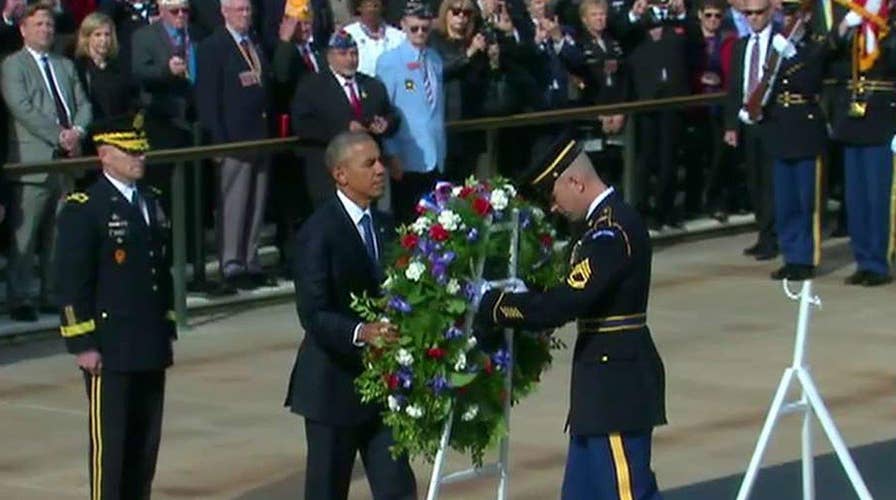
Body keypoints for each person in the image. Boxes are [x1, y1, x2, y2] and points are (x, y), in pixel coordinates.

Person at [474, 130, 666, 500]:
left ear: (575, 181)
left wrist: (494, 305)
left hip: (616, 389)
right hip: (599, 389)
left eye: (553, 195)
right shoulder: (598, 229)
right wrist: (527, 292)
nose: (553, 207)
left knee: (626, 494)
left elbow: (563, 305)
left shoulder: (611, 232)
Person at [285, 130, 417, 500]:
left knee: (398, 488)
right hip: (332, 387)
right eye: (369, 163)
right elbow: (312, 312)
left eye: (380, 161)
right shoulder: (319, 232)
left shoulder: (387, 225)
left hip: (382, 388)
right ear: (341, 175)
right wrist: (361, 331)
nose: (380, 170)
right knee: (327, 490)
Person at [54, 112, 176, 500]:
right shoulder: (85, 207)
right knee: (113, 447)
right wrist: (82, 341)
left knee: (145, 444)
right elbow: (72, 281)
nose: (140, 157)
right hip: (110, 345)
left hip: (149, 340)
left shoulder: (152, 201)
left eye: (141, 150)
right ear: (105, 155)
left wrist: (167, 324)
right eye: (130, 151)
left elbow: (161, 270)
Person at [1, 3, 92, 322]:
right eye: (39, 24)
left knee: (58, 232)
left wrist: (77, 131)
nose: (46, 30)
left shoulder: (64, 65)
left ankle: (52, 292)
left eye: (50, 25)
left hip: (66, 162)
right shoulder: (13, 65)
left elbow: (82, 102)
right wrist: (59, 135)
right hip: (33, 160)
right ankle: (20, 296)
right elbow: (21, 108)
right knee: (25, 235)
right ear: (24, 29)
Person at [196, 0, 274, 290]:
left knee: (256, 201)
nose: (246, 14)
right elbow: (208, 98)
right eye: (240, 10)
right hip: (233, 138)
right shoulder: (213, 46)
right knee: (235, 202)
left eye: (248, 9)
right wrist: (218, 142)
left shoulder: (254, 42)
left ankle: (250, 258)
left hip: (259, 135)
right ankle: (230, 262)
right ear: (225, 12)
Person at [756, 0, 827, 281]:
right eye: (785, 12)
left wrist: (795, 56)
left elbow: (812, 81)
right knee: (785, 200)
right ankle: (791, 254)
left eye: (794, 12)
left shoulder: (815, 45)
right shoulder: (776, 45)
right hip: (781, 127)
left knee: (805, 199)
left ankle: (807, 256)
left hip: (805, 127)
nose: (789, 18)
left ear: (807, 16)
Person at [828, 5, 896, 286]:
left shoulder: (889, 25)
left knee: (877, 197)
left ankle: (877, 263)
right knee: (856, 197)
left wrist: (878, 28)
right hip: (853, 119)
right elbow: (829, 55)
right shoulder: (854, 24)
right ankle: (863, 258)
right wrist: (845, 27)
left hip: (883, 118)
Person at [291, 30, 396, 207]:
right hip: (328, 177)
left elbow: (392, 115)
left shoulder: (372, 85)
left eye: (354, 53)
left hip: (366, 178)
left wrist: (386, 124)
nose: (350, 59)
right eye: (343, 54)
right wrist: (343, 130)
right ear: (330, 56)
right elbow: (302, 125)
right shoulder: (312, 86)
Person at [376, 1, 445, 222]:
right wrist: (391, 153)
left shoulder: (434, 59)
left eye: (425, 28)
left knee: (435, 221)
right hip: (406, 156)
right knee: (407, 222)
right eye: (414, 28)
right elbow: (385, 111)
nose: (420, 33)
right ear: (403, 25)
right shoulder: (390, 62)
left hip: (436, 153)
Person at [723, 0, 778, 260]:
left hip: (773, 121)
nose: (753, 18)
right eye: (748, 14)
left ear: (770, 11)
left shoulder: (780, 42)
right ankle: (763, 232)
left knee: (771, 182)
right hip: (748, 122)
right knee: (754, 181)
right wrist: (731, 125)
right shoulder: (742, 45)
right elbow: (734, 88)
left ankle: (773, 237)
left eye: (758, 13)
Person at [74, 12, 135, 120]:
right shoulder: (78, 68)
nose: (104, 40)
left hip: (118, 127)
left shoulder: (119, 66)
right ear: (87, 37)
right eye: (98, 35)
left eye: (107, 34)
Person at [343, 0, 406, 77]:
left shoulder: (399, 37)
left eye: (376, 5)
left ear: (382, 7)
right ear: (359, 7)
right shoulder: (348, 34)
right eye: (368, 5)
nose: (372, 9)